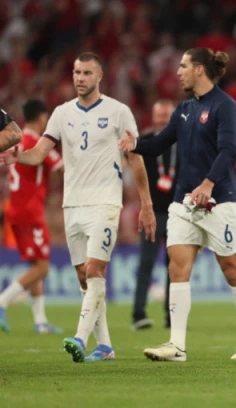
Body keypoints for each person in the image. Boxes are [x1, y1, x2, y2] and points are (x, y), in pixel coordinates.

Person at [0, 52, 157, 363]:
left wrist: (146, 203)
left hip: (105, 202)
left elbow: (136, 159)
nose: (80, 78)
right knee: (85, 277)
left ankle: (80, 338)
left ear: (99, 77)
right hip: (72, 205)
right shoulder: (61, 113)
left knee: (96, 269)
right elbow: (39, 152)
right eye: (76, 72)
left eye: (86, 73)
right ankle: (106, 346)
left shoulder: (119, 112)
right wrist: (19, 157)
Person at [118, 48, 236, 362]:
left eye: (183, 66)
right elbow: (159, 143)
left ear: (199, 69)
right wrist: (136, 144)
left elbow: (228, 151)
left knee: (232, 270)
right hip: (183, 203)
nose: (178, 72)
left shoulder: (225, 105)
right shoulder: (183, 109)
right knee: (177, 268)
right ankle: (177, 345)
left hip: (220, 201)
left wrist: (208, 183)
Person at [0, 99, 63, 334]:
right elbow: (62, 168)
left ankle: (40, 321)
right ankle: (2, 300)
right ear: (41, 117)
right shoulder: (37, 143)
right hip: (30, 212)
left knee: (36, 265)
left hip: (15, 210)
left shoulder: (13, 141)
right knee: (43, 268)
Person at [132, 100, 177, 331]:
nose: (162, 120)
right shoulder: (145, 141)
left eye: (166, 116)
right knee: (146, 263)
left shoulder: (182, 141)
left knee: (175, 265)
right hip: (152, 213)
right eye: (159, 115)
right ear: (153, 116)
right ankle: (138, 314)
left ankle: (172, 316)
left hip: (177, 214)